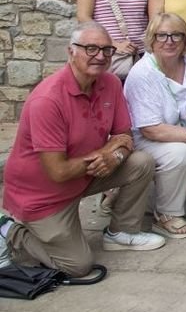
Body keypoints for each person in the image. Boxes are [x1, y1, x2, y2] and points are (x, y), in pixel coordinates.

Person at [0, 23, 164, 276]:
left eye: (106, 50)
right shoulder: (48, 99)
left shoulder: (109, 83)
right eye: (91, 49)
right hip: (43, 194)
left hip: (85, 175)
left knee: (141, 161)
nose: (100, 56)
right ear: (71, 51)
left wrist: (113, 153)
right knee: (77, 266)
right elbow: (58, 172)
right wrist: (106, 154)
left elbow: (124, 135)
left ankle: (121, 232)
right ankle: (9, 231)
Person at [124, 13, 186, 239]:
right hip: (147, 141)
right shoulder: (143, 73)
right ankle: (166, 215)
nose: (169, 41)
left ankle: (142, 196)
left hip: (185, 134)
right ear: (151, 39)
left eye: (177, 35)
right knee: (180, 153)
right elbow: (151, 129)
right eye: (162, 35)